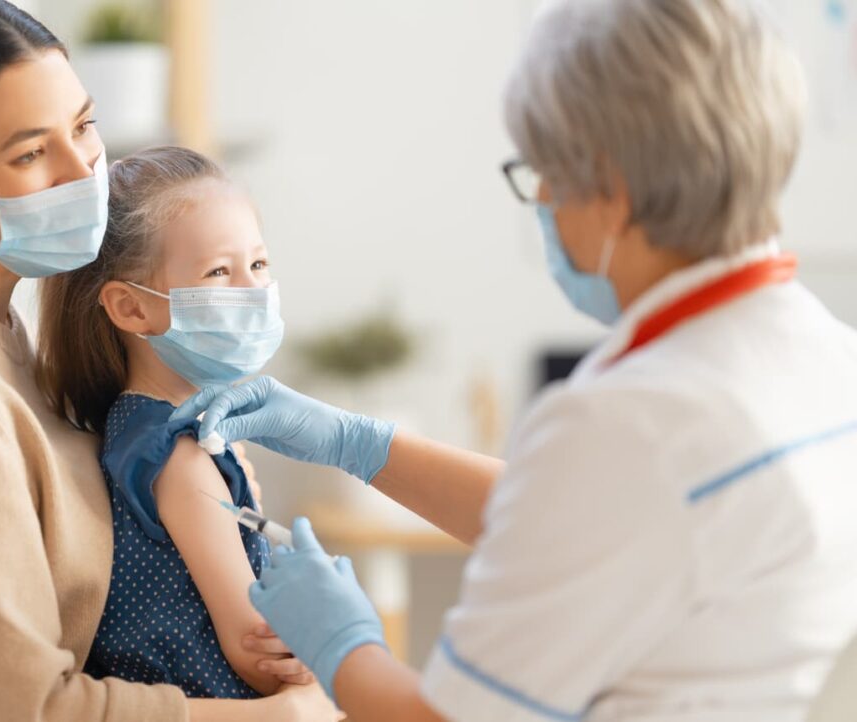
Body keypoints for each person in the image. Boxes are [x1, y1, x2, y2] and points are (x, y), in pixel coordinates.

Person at [174, 0, 857, 719]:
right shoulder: (828, 356)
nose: (545, 208)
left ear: (612, 192)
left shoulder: (635, 420)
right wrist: (359, 443)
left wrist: (343, 645)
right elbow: (591, 528)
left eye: (542, 179)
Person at [0, 2, 336, 720]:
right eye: (33, 153)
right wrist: (279, 717)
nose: (85, 172)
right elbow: (16, 710)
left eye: (83, 126)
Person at [37, 145, 312, 697]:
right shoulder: (181, 456)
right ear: (132, 308)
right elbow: (258, 650)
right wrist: (330, 637)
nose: (254, 291)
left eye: (258, 264)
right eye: (218, 271)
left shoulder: (139, 428)